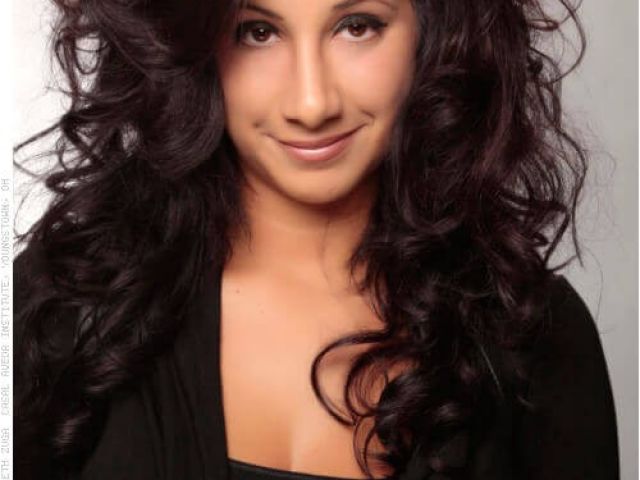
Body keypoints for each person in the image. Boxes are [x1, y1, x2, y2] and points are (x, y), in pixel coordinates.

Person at [13, 0, 619, 479]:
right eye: (257, 32)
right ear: (189, 44)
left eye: (357, 26)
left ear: (435, 29)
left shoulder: (534, 337)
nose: (311, 103)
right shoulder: (65, 304)